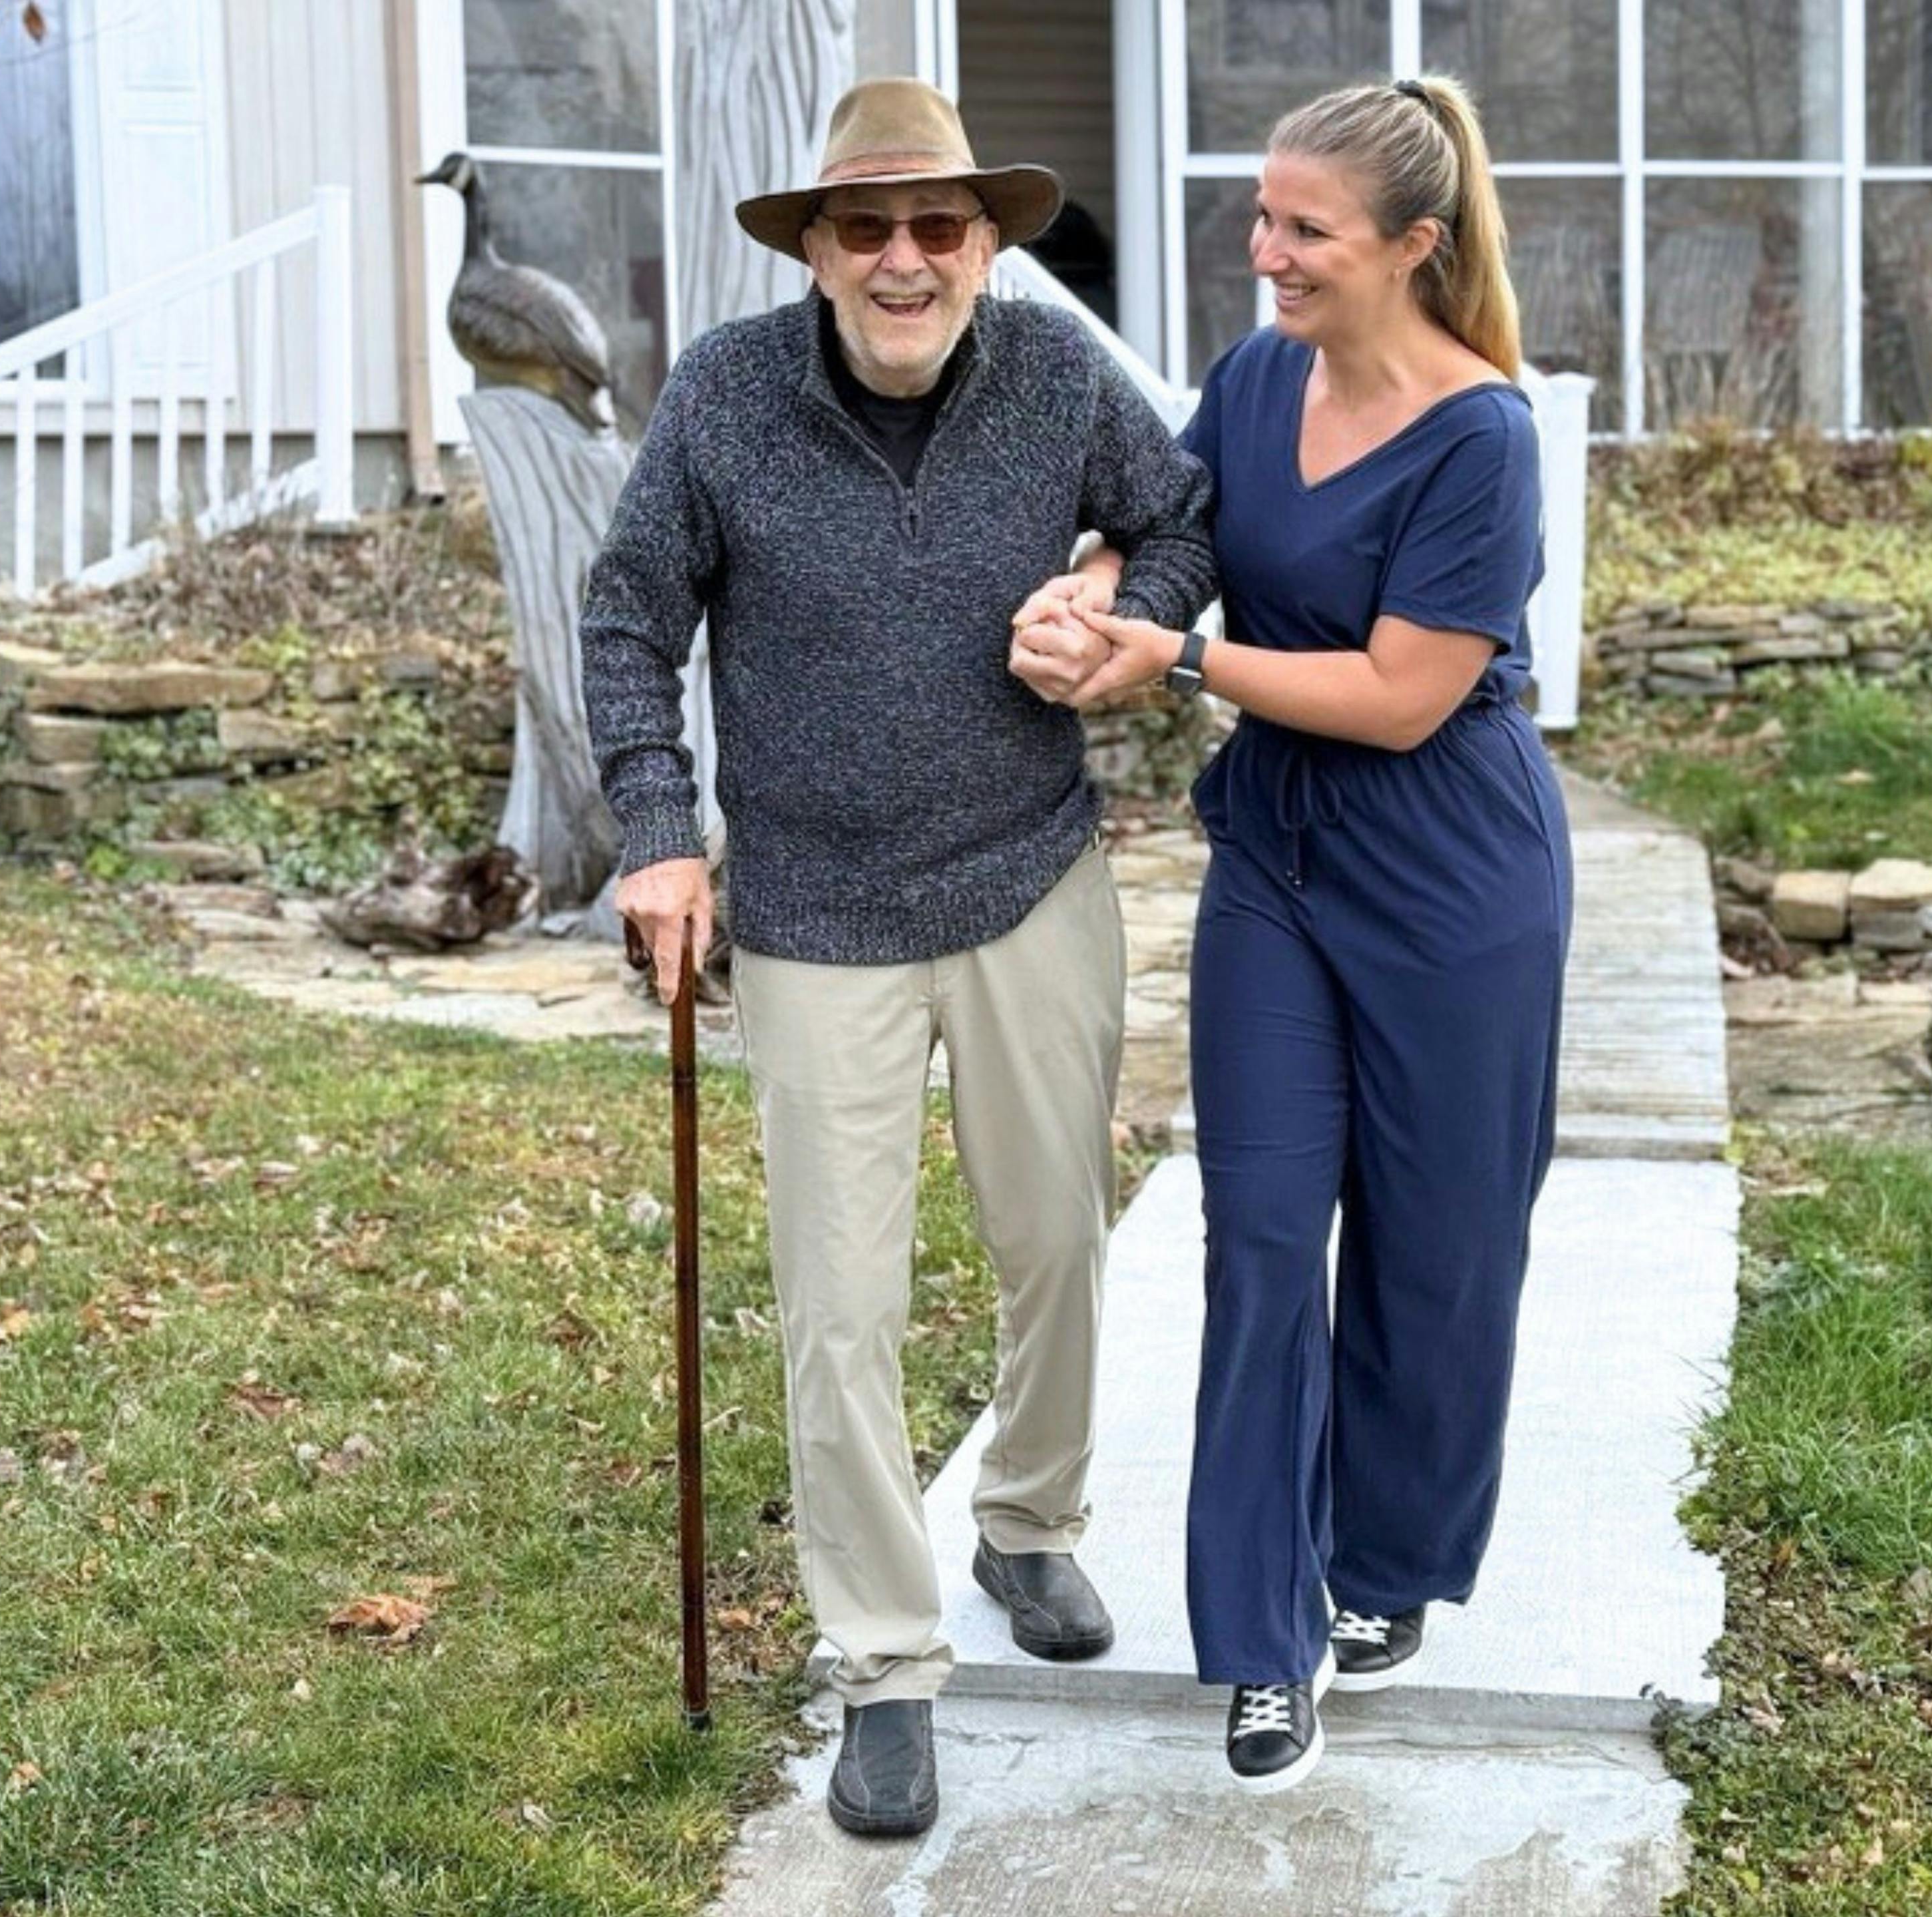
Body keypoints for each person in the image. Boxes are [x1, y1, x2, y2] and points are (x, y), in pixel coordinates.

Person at [580, 78, 1216, 1840]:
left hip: (1027, 876)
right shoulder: (726, 394)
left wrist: (1122, 615)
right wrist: (654, 825)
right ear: (820, 252)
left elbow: (1180, 519)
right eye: (868, 227)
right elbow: (630, 614)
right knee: (842, 1308)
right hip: (812, 913)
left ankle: (1027, 1524)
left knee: (1059, 1249)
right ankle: (884, 1663)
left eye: (941, 225)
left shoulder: (1057, 376)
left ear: (989, 242)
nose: (907, 257)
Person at [1012, 74, 1571, 1794]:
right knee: (1260, 1238)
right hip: (1283, 869)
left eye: (1303, 231)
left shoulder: (1485, 435)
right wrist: (1104, 597)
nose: (1264, 255)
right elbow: (1181, 533)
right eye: (1261, 218)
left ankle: (1390, 1566)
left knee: (1439, 1246)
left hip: (1455, 872)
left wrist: (1178, 661)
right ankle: (1264, 1644)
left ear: (1415, 245)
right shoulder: (1258, 381)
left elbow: (1406, 697)